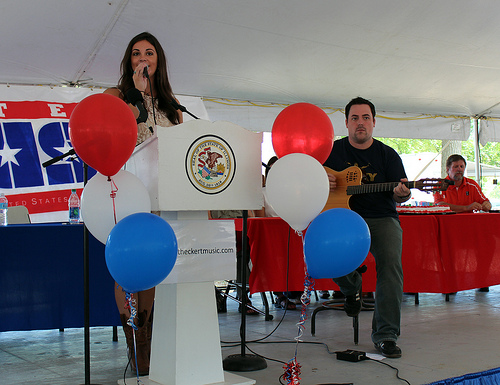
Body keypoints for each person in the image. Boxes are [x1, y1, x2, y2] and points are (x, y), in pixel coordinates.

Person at [104, 31, 183, 375]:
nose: (143, 58)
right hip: (128, 191)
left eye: (149, 53)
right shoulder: (116, 95)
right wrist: (136, 94)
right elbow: (112, 132)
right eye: (136, 53)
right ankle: (135, 345)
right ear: (129, 61)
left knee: (153, 267)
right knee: (130, 266)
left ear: (158, 62)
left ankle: (148, 344)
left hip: (165, 196)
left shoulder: (172, 105)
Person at [324, 97, 411, 358]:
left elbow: (400, 196)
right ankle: (352, 289)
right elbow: (306, 178)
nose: (360, 123)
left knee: (391, 266)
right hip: (342, 217)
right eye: (354, 118)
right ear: (347, 123)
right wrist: (319, 177)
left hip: (382, 217)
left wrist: (402, 193)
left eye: (365, 118)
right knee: (330, 257)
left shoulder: (387, 154)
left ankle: (386, 335)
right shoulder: (331, 151)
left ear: (373, 122)